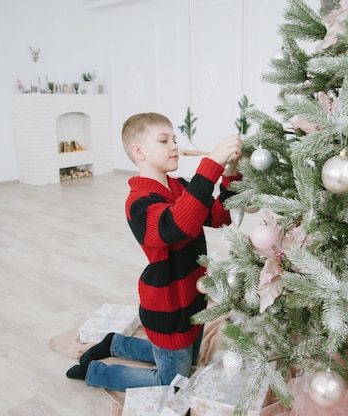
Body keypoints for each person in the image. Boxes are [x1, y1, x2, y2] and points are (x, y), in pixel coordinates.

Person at [66, 112, 242, 391]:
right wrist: (210, 165)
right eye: (163, 140)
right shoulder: (138, 203)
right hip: (168, 306)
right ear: (139, 152)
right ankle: (95, 371)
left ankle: (116, 343)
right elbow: (176, 225)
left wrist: (230, 176)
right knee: (172, 385)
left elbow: (220, 216)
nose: (174, 145)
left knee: (186, 358)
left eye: (174, 139)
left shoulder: (181, 187)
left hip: (193, 299)